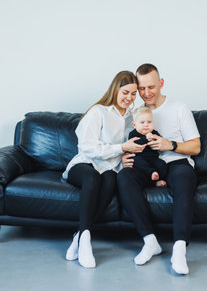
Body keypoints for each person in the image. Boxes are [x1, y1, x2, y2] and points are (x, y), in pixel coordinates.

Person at [117, 63, 201, 275]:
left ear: (161, 83)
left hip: (176, 162)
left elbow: (196, 146)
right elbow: (124, 143)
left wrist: (169, 145)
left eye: (151, 87)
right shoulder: (133, 114)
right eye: (142, 88)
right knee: (125, 176)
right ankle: (150, 241)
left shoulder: (179, 108)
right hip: (145, 165)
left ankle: (180, 249)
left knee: (183, 179)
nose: (146, 93)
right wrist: (124, 156)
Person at [62, 70, 145, 268]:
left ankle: (79, 236)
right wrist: (121, 148)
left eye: (134, 93)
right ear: (115, 89)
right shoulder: (98, 112)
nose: (129, 98)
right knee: (93, 179)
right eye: (125, 92)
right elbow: (87, 147)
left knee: (109, 179)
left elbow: (131, 147)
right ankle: (86, 243)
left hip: (109, 167)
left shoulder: (133, 117)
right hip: (84, 163)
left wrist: (126, 156)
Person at [129, 106, 167, 187]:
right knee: (135, 161)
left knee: (162, 164)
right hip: (140, 157)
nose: (146, 125)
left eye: (149, 122)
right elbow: (134, 145)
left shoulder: (154, 133)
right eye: (142, 122)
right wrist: (145, 138)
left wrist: (155, 140)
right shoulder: (133, 134)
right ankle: (152, 172)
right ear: (134, 125)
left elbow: (161, 142)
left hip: (153, 158)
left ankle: (158, 180)